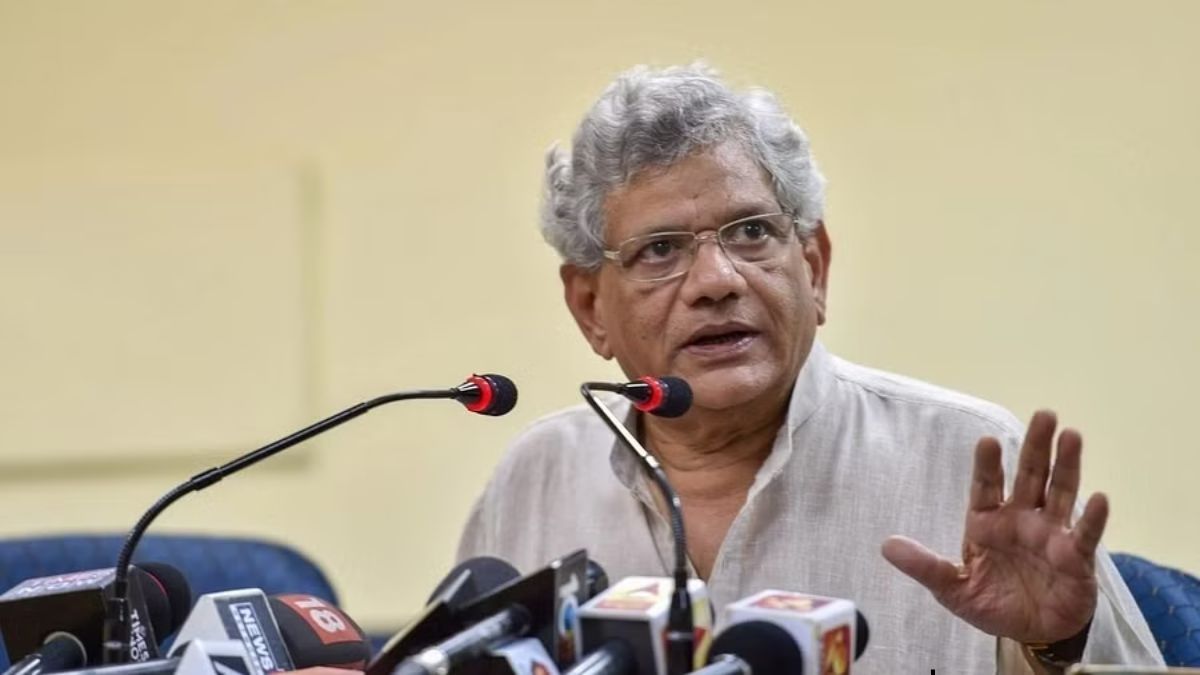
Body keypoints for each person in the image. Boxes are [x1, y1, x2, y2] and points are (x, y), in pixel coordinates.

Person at [457, 63, 1163, 674]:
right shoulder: (533, 479)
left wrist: (1055, 642)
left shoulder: (968, 459)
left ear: (815, 267)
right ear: (590, 308)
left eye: (752, 231)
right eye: (661, 250)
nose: (716, 279)